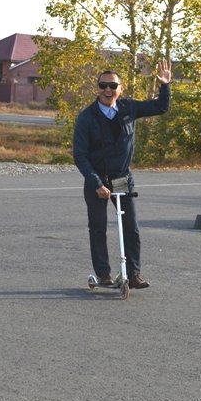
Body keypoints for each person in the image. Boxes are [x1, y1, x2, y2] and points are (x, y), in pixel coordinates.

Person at [73, 60, 171, 289]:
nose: (107, 90)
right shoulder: (86, 117)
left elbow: (160, 107)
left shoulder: (129, 108)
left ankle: (133, 273)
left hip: (121, 178)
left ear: (120, 88)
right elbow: (80, 155)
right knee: (98, 227)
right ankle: (103, 274)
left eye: (112, 86)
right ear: (97, 88)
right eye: (103, 86)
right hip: (97, 180)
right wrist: (97, 183)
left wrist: (165, 86)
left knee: (130, 226)